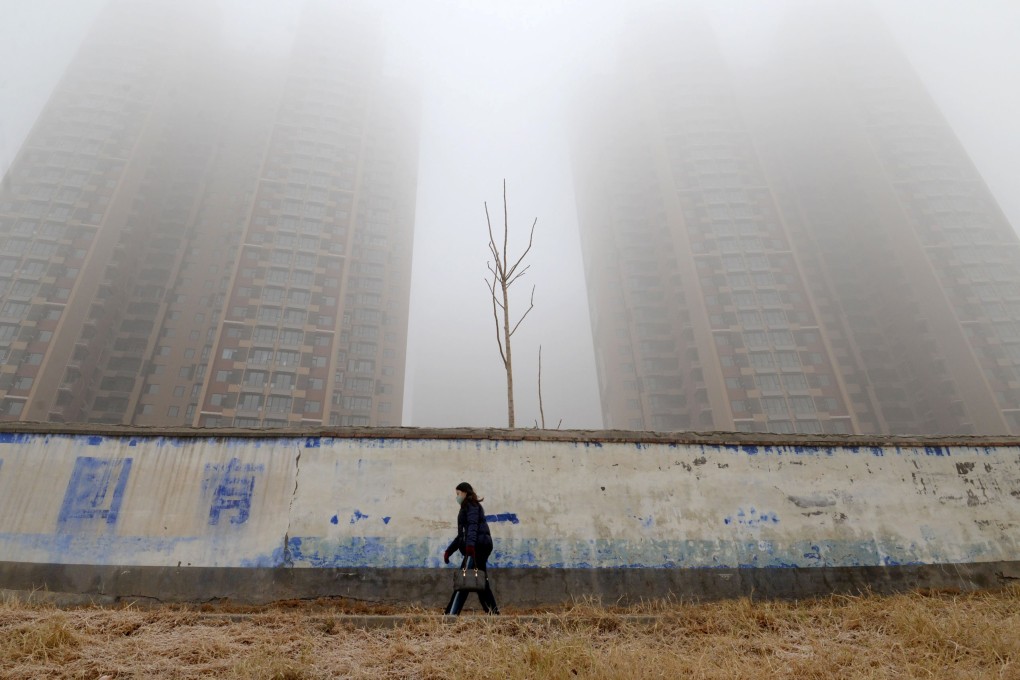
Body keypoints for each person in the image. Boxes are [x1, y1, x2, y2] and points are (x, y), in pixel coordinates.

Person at [443, 481, 499, 615]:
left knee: (464, 580)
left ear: (465, 492)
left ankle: (450, 615)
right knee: (480, 581)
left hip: (477, 547)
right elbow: (462, 535)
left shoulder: (472, 506)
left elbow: (473, 527)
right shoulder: (465, 507)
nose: (457, 497)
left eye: (458, 494)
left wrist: (469, 547)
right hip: (477, 546)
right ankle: (493, 614)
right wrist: (449, 551)